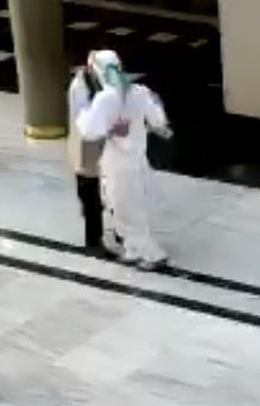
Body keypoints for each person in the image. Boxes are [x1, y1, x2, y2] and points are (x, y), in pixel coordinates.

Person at [78, 50, 173, 270]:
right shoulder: (140, 92)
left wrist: (85, 111)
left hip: (117, 164)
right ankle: (133, 249)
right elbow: (158, 120)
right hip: (138, 159)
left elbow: (90, 131)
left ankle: (151, 255)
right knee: (130, 206)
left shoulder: (104, 99)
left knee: (125, 209)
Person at [67, 52, 113, 254]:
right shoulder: (80, 87)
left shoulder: (101, 81)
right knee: (91, 196)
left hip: (106, 145)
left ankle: (121, 231)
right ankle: (93, 241)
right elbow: (86, 123)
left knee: (113, 191)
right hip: (87, 148)